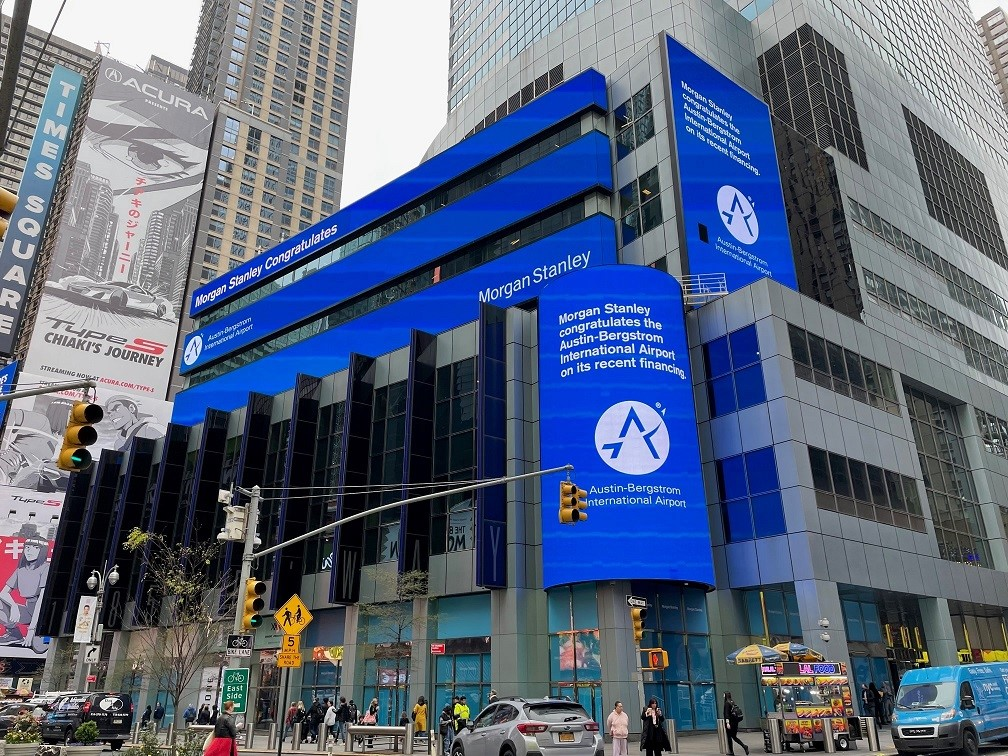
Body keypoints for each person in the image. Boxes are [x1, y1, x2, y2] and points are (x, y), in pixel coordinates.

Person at [0, 526, 51, 648]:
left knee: (38, 646)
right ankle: (14, 633)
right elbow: (3, 593)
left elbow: (41, 601)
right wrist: (13, 606)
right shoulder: (20, 570)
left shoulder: (46, 568)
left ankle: (40, 635)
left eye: (35, 548)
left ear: (42, 551)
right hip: (28, 611)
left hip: (44, 615)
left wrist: (31, 630)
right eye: (27, 548)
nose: (29, 551)